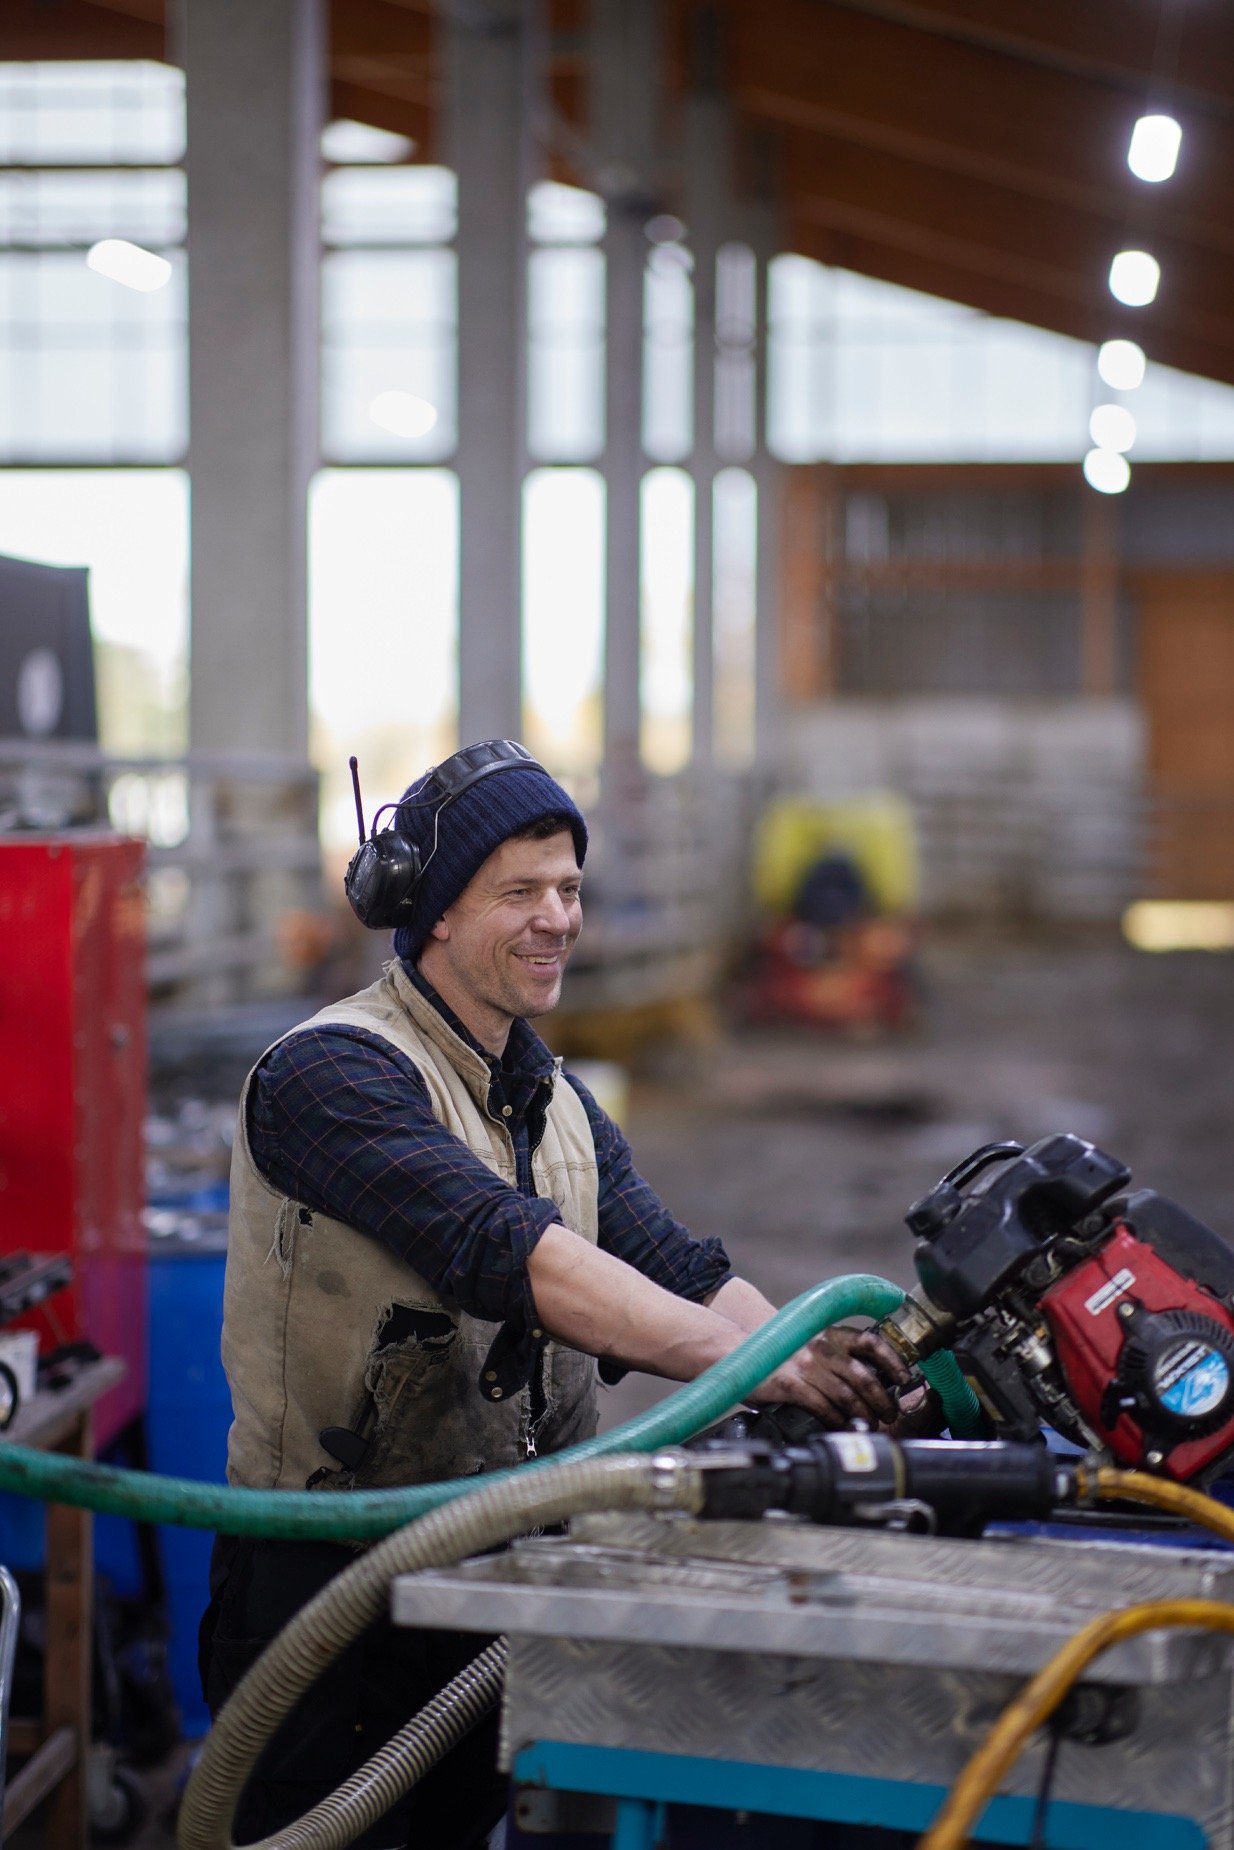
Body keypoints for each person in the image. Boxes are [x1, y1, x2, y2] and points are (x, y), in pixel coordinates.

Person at [199, 739, 917, 1850]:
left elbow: (679, 1269)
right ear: (433, 910)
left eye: (570, 889)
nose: (558, 919)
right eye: (520, 892)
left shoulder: (556, 1097)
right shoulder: (327, 1074)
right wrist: (768, 1366)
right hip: (328, 1579)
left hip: (497, 1566)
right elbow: (512, 1252)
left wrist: (817, 1361)